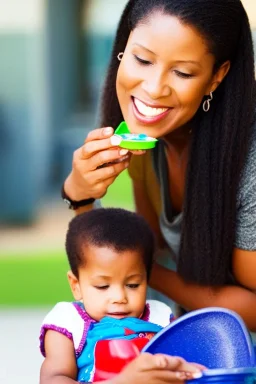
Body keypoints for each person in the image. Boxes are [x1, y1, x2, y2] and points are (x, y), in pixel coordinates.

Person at [62, 0, 256, 332]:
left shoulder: (248, 162)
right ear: (123, 48)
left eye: (182, 72)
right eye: (142, 59)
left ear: (216, 76)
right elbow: (150, 244)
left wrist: (140, 266)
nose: (153, 89)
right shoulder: (137, 130)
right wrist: (80, 196)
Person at [39, 208, 203, 384]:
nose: (119, 297)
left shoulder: (160, 318)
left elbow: (185, 361)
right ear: (76, 285)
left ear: (146, 279)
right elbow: (53, 380)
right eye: (102, 286)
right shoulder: (69, 323)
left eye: (132, 285)